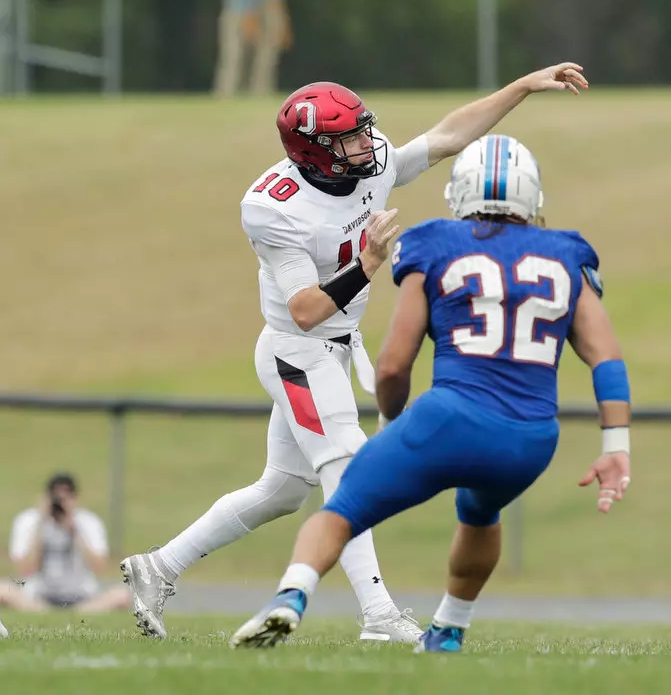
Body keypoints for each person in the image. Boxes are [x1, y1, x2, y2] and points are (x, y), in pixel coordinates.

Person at [120, 63, 589, 643]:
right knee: (349, 466)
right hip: (300, 351)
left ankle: (157, 567)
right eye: (347, 138)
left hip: (338, 349)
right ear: (313, 152)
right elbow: (305, 311)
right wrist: (366, 263)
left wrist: (520, 88)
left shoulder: (367, 163)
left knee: (282, 490)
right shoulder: (274, 207)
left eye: (363, 130)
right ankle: (379, 615)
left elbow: (444, 139)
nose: (366, 144)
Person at [230, 134, 632, 652]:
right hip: (530, 439)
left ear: (458, 194)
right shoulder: (566, 253)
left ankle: (291, 597)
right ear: (533, 198)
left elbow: (396, 364)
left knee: (344, 507)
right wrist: (615, 447)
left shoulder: (434, 242)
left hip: (449, 420)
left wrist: (394, 425)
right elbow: (606, 357)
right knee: (481, 514)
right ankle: (448, 630)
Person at [0, 474, 130, 614]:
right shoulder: (30, 521)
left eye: (66, 498)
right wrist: (42, 524)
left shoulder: (88, 521)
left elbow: (99, 568)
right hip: (39, 597)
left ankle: (74, 612)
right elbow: (25, 570)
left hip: (82, 597)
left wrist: (74, 531)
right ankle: (47, 612)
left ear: (75, 498)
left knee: (122, 594)